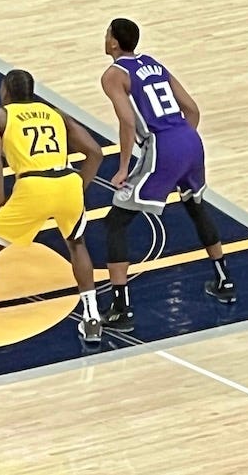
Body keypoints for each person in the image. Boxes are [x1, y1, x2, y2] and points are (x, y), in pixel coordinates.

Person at [0, 69, 104, 356]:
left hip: (33, 186)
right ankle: (92, 319)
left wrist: (0, 200)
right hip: (67, 183)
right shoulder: (54, 113)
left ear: (5, 91)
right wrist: (79, 187)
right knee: (76, 244)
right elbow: (95, 152)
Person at [98, 17, 236, 332]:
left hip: (163, 147)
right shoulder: (153, 64)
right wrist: (183, 145)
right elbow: (193, 109)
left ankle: (121, 310)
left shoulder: (113, 75)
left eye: (107, 35)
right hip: (190, 140)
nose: (105, 39)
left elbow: (127, 123)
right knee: (195, 206)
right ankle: (224, 279)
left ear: (115, 43)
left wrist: (122, 169)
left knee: (116, 222)